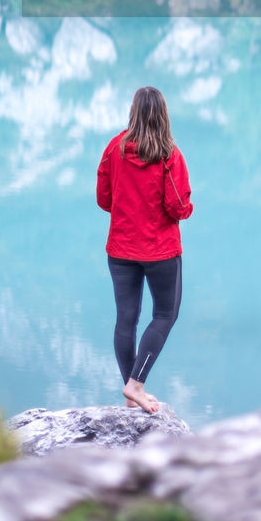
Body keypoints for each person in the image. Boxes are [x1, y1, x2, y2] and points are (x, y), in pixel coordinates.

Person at [96, 85, 193, 414]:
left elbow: (103, 199)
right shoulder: (169, 155)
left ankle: (129, 390)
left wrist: (129, 209)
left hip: (121, 249)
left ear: (134, 113)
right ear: (164, 114)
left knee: (126, 319)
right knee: (165, 315)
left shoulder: (115, 148)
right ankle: (136, 384)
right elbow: (178, 207)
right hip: (160, 251)